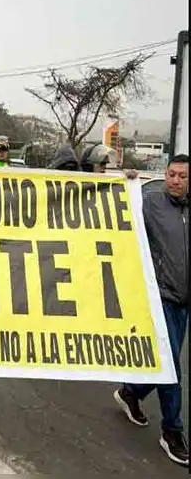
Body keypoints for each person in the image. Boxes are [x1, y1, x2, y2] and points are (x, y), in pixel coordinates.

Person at [114, 154, 189, 466]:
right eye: (171, 174)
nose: (174, 180)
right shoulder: (151, 201)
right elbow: (118, 206)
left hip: (184, 302)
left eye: (182, 176)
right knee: (172, 367)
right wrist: (125, 181)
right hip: (160, 296)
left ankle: (131, 392)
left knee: (165, 361)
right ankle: (172, 431)